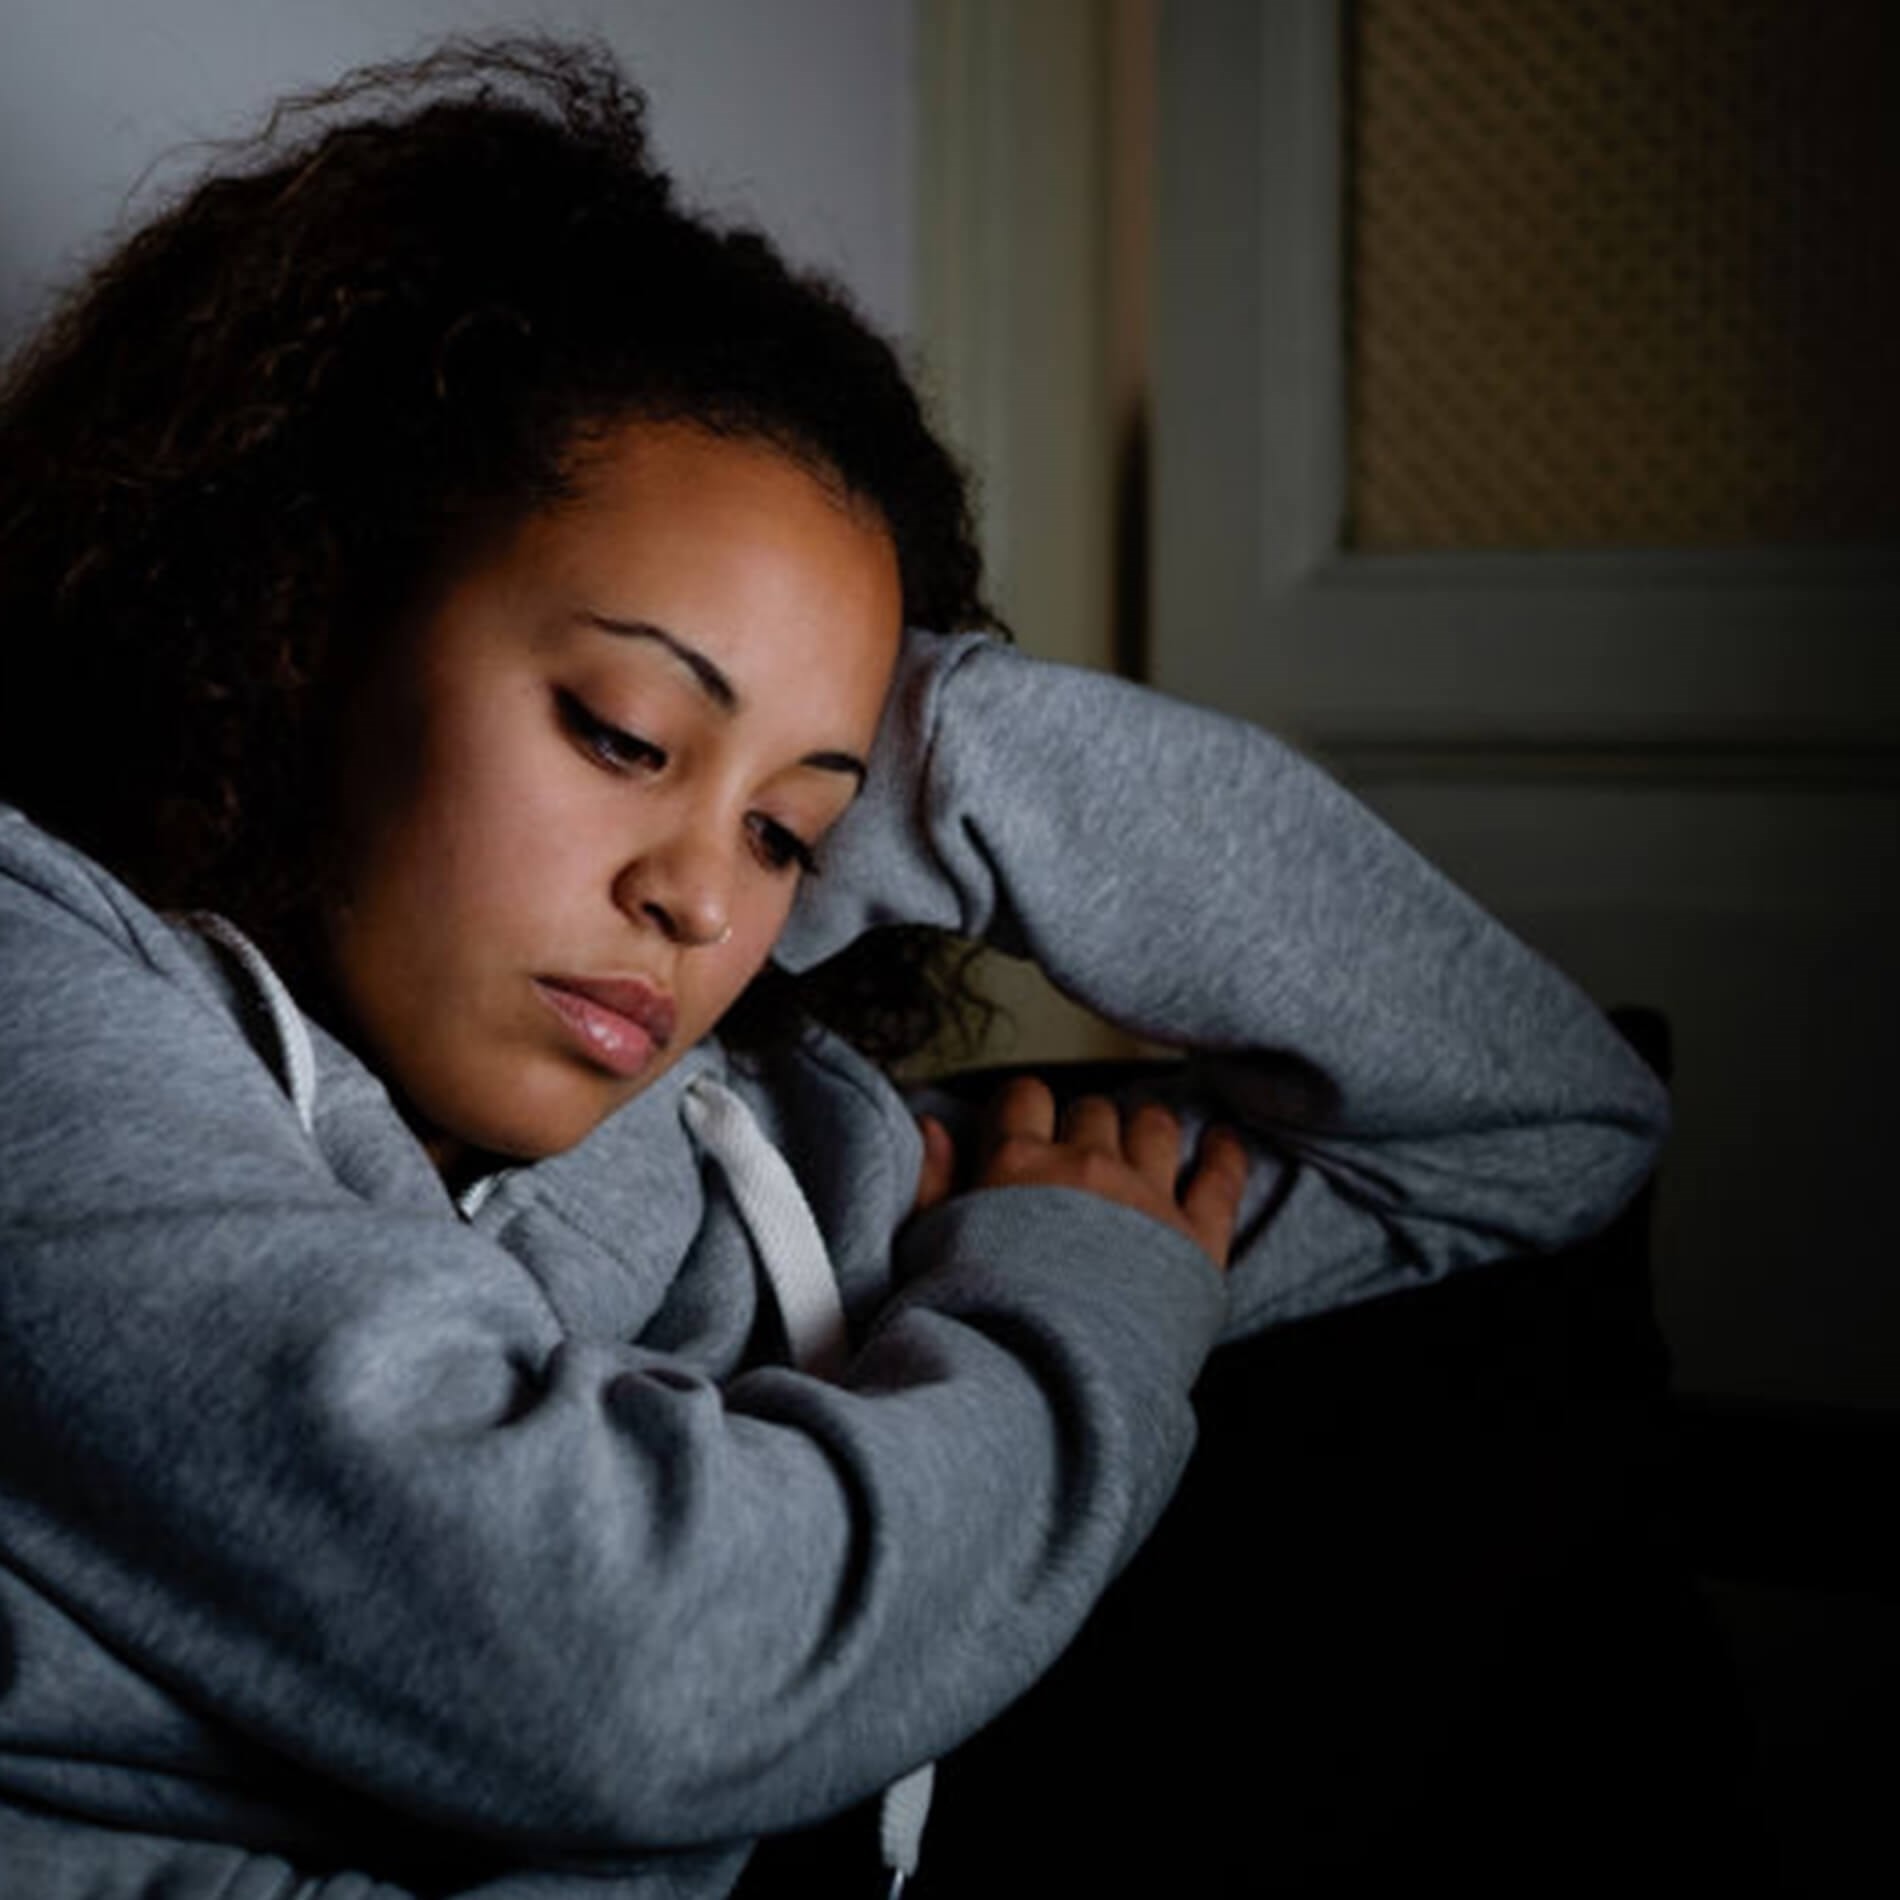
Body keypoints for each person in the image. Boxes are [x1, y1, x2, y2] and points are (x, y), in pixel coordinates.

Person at [0, 37, 1669, 1900]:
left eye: (793, 837)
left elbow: (1540, 1120)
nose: (705, 904)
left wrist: (925, 751)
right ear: (299, 621)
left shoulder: (820, 1179)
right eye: (624, 732)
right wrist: (1080, 1321)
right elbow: (622, 1667)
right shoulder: (37, 994)